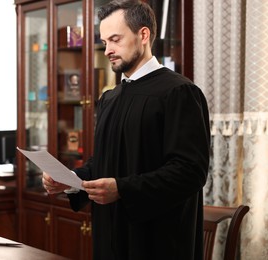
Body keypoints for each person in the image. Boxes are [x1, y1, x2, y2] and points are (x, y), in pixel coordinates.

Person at [42, 1, 210, 259]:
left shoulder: (179, 92)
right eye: (104, 41)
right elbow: (104, 162)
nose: (107, 49)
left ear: (143, 35)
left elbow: (190, 172)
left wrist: (122, 189)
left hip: (159, 240)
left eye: (115, 40)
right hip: (110, 234)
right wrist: (70, 180)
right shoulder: (110, 98)